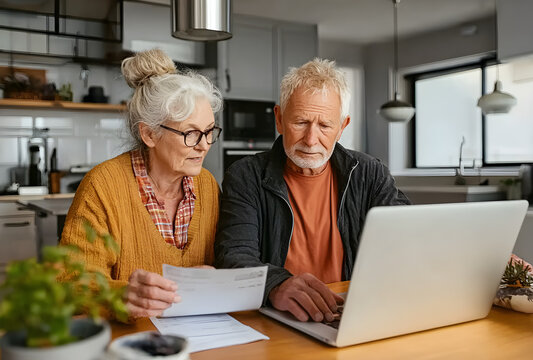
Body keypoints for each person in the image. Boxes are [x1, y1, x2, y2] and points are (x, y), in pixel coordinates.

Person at [215, 58, 410, 323]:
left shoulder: (369, 173)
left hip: (351, 312)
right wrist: (275, 284)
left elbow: (404, 238)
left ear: (342, 127)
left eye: (325, 125)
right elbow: (234, 255)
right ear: (280, 119)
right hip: (278, 315)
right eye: (300, 122)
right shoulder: (244, 176)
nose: (310, 139)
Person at [61, 49, 223, 320]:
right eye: (191, 133)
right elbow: (70, 281)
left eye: (209, 131)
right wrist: (120, 295)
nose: (204, 145)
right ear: (149, 134)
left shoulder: (207, 185)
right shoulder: (103, 186)